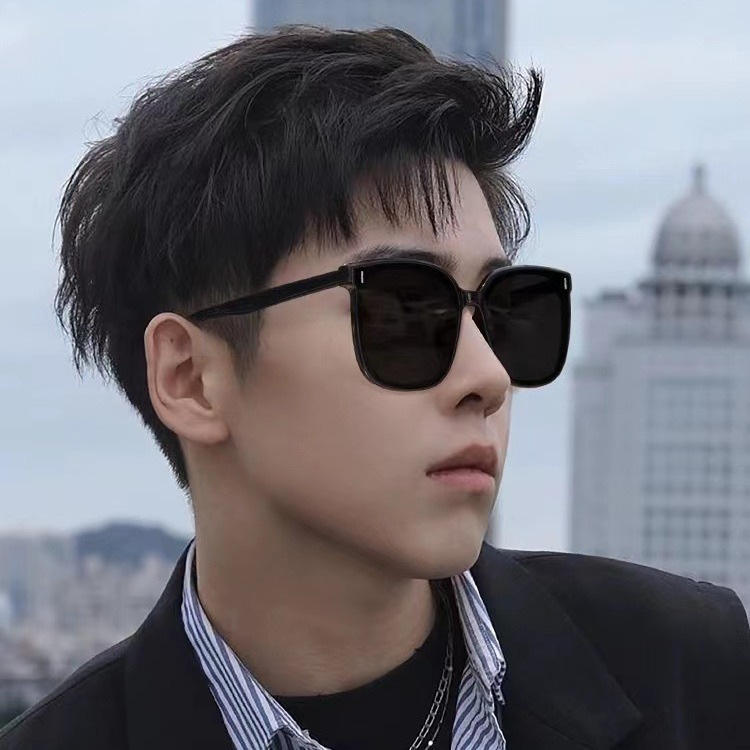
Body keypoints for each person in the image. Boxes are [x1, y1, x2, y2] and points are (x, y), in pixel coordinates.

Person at [2, 23, 748, 750]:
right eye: (402, 308)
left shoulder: (689, 671)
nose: (488, 376)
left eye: (502, 311)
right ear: (191, 378)